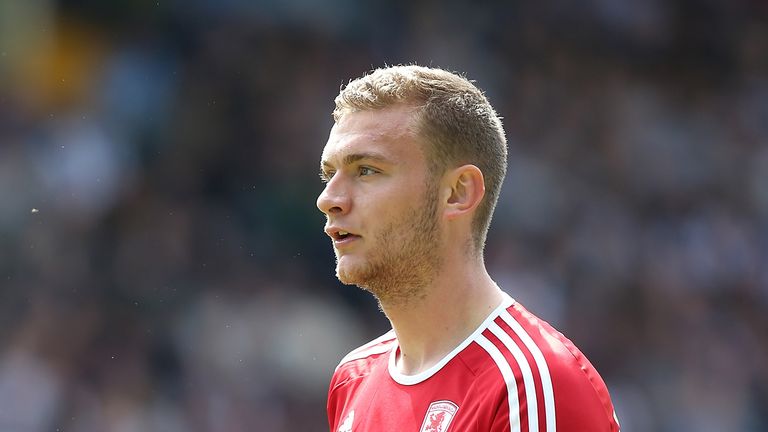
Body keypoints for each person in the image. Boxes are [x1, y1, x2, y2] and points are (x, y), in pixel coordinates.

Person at [316, 65, 620, 432]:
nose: (328, 198)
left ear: (458, 193)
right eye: (328, 174)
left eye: (366, 170)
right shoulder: (352, 378)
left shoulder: (532, 386)